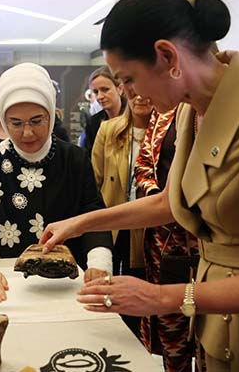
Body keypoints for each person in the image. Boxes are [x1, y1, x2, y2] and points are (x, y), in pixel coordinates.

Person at [40, 0, 239, 371]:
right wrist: (82, 222)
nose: (130, 93)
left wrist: (160, 297)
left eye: (129, 78)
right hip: (216, 330)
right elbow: (172, 202)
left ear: (167, 56)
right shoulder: (189, 111)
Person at [0, 62, 113, 302]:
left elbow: (92, 214)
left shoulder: (74, 158)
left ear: (51, 115)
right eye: (16, 123)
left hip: (65, 284)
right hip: (7, 282)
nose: (27, 133)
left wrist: (99, 264)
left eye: (37, 121)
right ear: (3, 119)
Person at [134, 104, 202, 372]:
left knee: (209, 333)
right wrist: (156, 197)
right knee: (170, 331)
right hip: (163, 243)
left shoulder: (216, 111)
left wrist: (171, 205)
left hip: (205, 245)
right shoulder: (162, 113)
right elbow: (143, 164)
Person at [90, 83, 152, 336]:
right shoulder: (109, 130)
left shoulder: (167, 133)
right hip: (113, 220)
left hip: (149, 224)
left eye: (146, 89)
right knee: (109, 289)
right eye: (133, 89)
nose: (140, 96)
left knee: (140, 290)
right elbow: (94, 181)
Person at [82, 66, 126, 156]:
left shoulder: (135, 118)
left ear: (120, 89)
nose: (99, 96)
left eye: (105, 90)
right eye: (96, 92)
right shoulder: (93, 123)